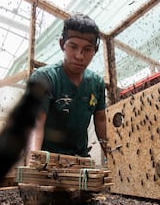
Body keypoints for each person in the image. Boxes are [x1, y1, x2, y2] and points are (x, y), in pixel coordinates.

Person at [25, 13, 107, 163]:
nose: (79, 56)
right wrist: (34, 162)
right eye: (73, 46)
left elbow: (101, 119)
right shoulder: (44, 78)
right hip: (48, 161)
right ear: (62, 44)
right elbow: (36, 124)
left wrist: (114, 158)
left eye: (87, 49)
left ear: (95, 50)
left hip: (80, 162)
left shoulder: (97, 83)